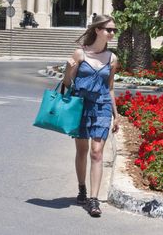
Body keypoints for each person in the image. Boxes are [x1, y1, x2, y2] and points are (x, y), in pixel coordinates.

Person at [63, 14, 120, 217]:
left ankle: (94, 200)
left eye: (114, 30)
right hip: (81, 106)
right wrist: (68, 71)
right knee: (82, 150)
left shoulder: (112, 58)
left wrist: (116, 114)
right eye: (109, 29)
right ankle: (81, 188)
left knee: (97, 152)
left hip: (102, 106)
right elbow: (67, 85)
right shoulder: (80, 54)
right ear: (97, 30)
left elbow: (110, 87)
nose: (112, 33)